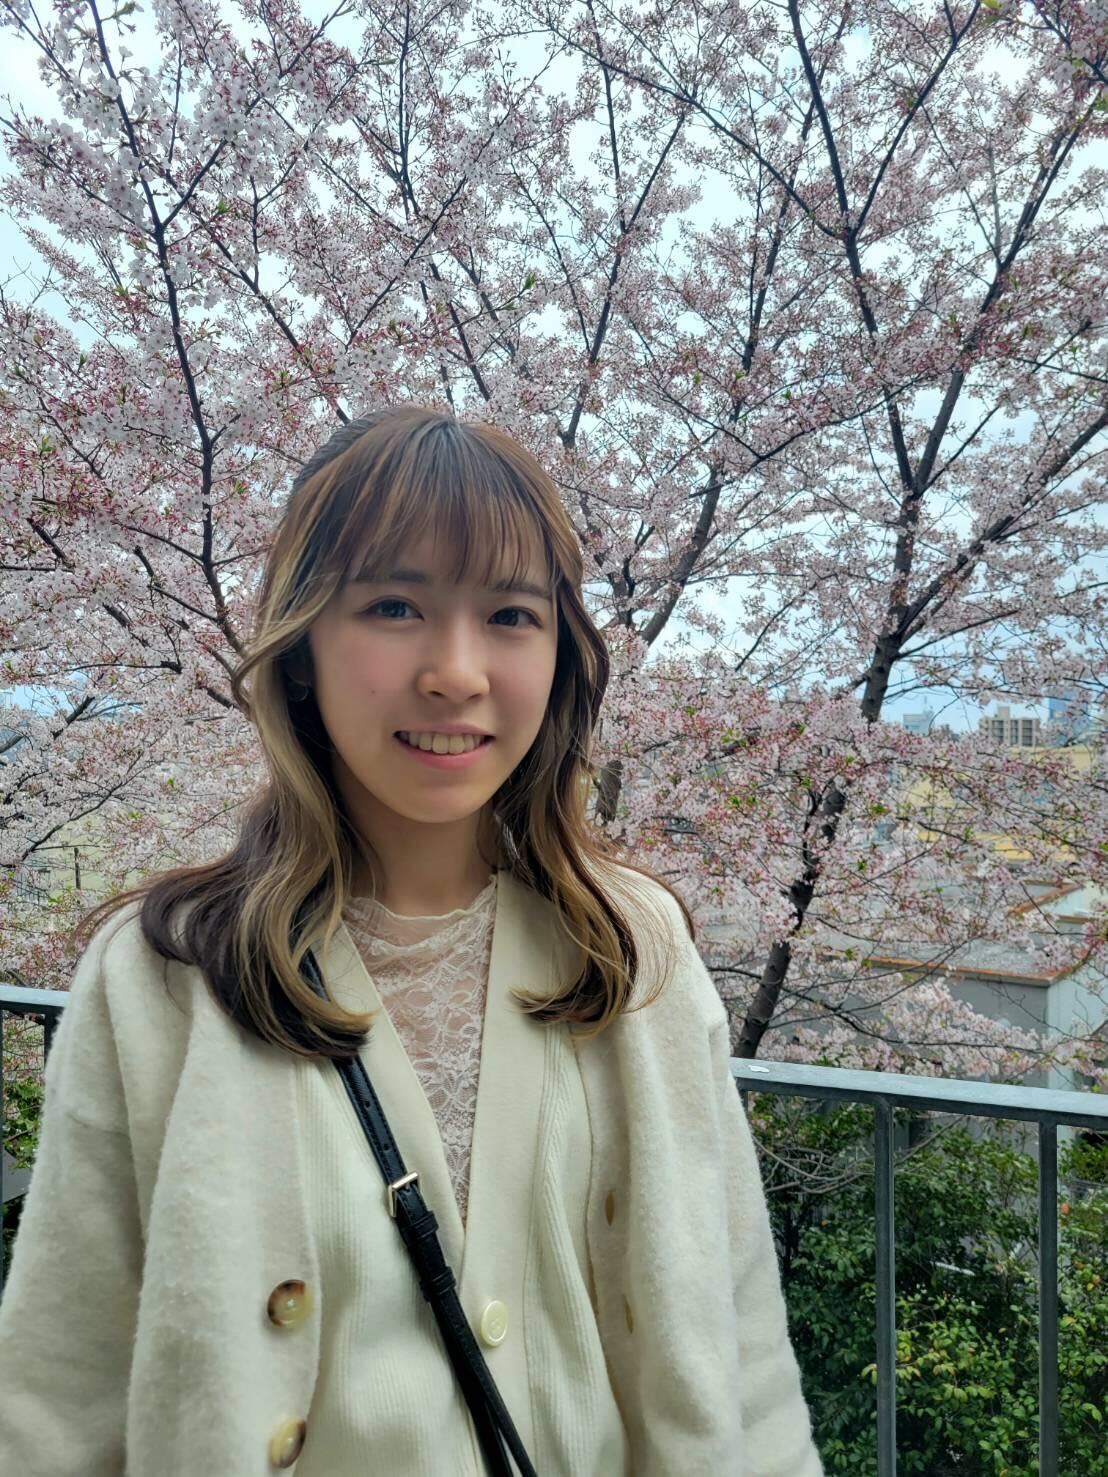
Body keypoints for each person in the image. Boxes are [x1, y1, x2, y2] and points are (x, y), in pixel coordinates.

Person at [0, 406, 824, 1475]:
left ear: (561, 655)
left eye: (511, 614)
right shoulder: (163, 980)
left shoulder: (633, 954)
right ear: (302, 647)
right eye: (393, 606)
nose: (456, 671)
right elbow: (58, 1402)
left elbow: (745, 1365)